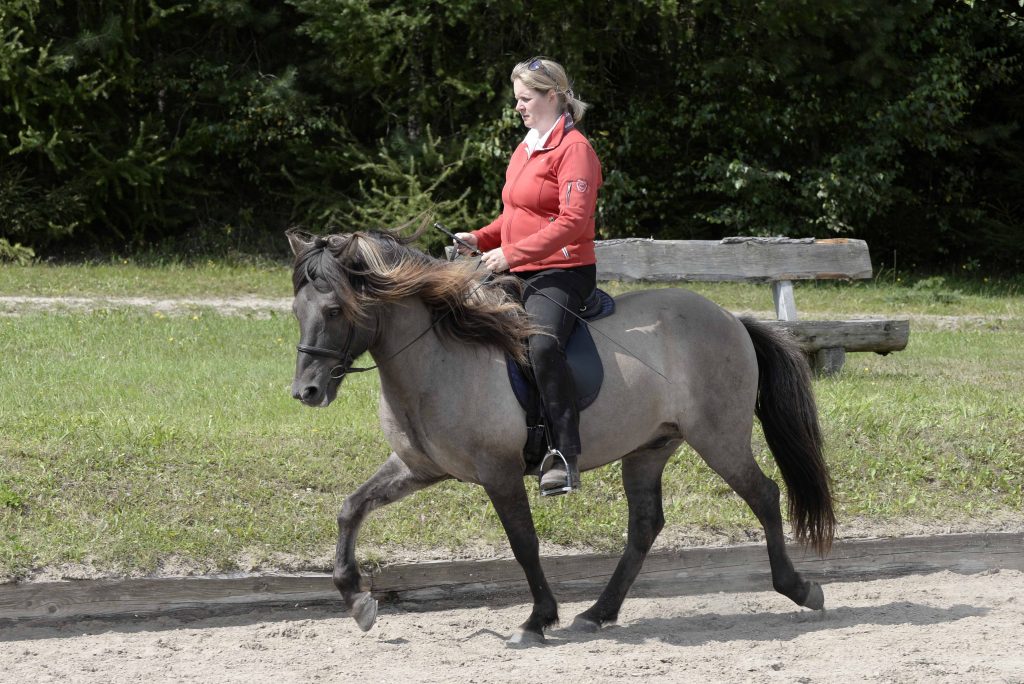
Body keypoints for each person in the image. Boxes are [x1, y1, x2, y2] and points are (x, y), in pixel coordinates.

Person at [455, 56, 602, 496]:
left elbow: (572, 221)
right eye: (516, 99)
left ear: (552, 96)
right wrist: (479, 238)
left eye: (525, 98)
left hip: (564, 271)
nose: (517, 106)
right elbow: (515, 216)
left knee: (540, 343)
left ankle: (562, 453)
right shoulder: (527, 146)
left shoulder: (576, 150)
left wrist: (509, 254)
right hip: (517, 265)